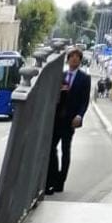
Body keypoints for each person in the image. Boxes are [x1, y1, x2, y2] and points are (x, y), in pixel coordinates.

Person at [46, 46, 91, 195]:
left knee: (66, 151)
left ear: (80, 60)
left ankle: (60, 182)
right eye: (72, 57)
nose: (74, 59)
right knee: (51, 148)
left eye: (77, 57)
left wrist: (80, 116)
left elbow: (85, 101)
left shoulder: (84, 78)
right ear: (68, 59)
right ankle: (53, 176)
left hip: (70, 120)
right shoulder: (61, 76)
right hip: (57, 119)